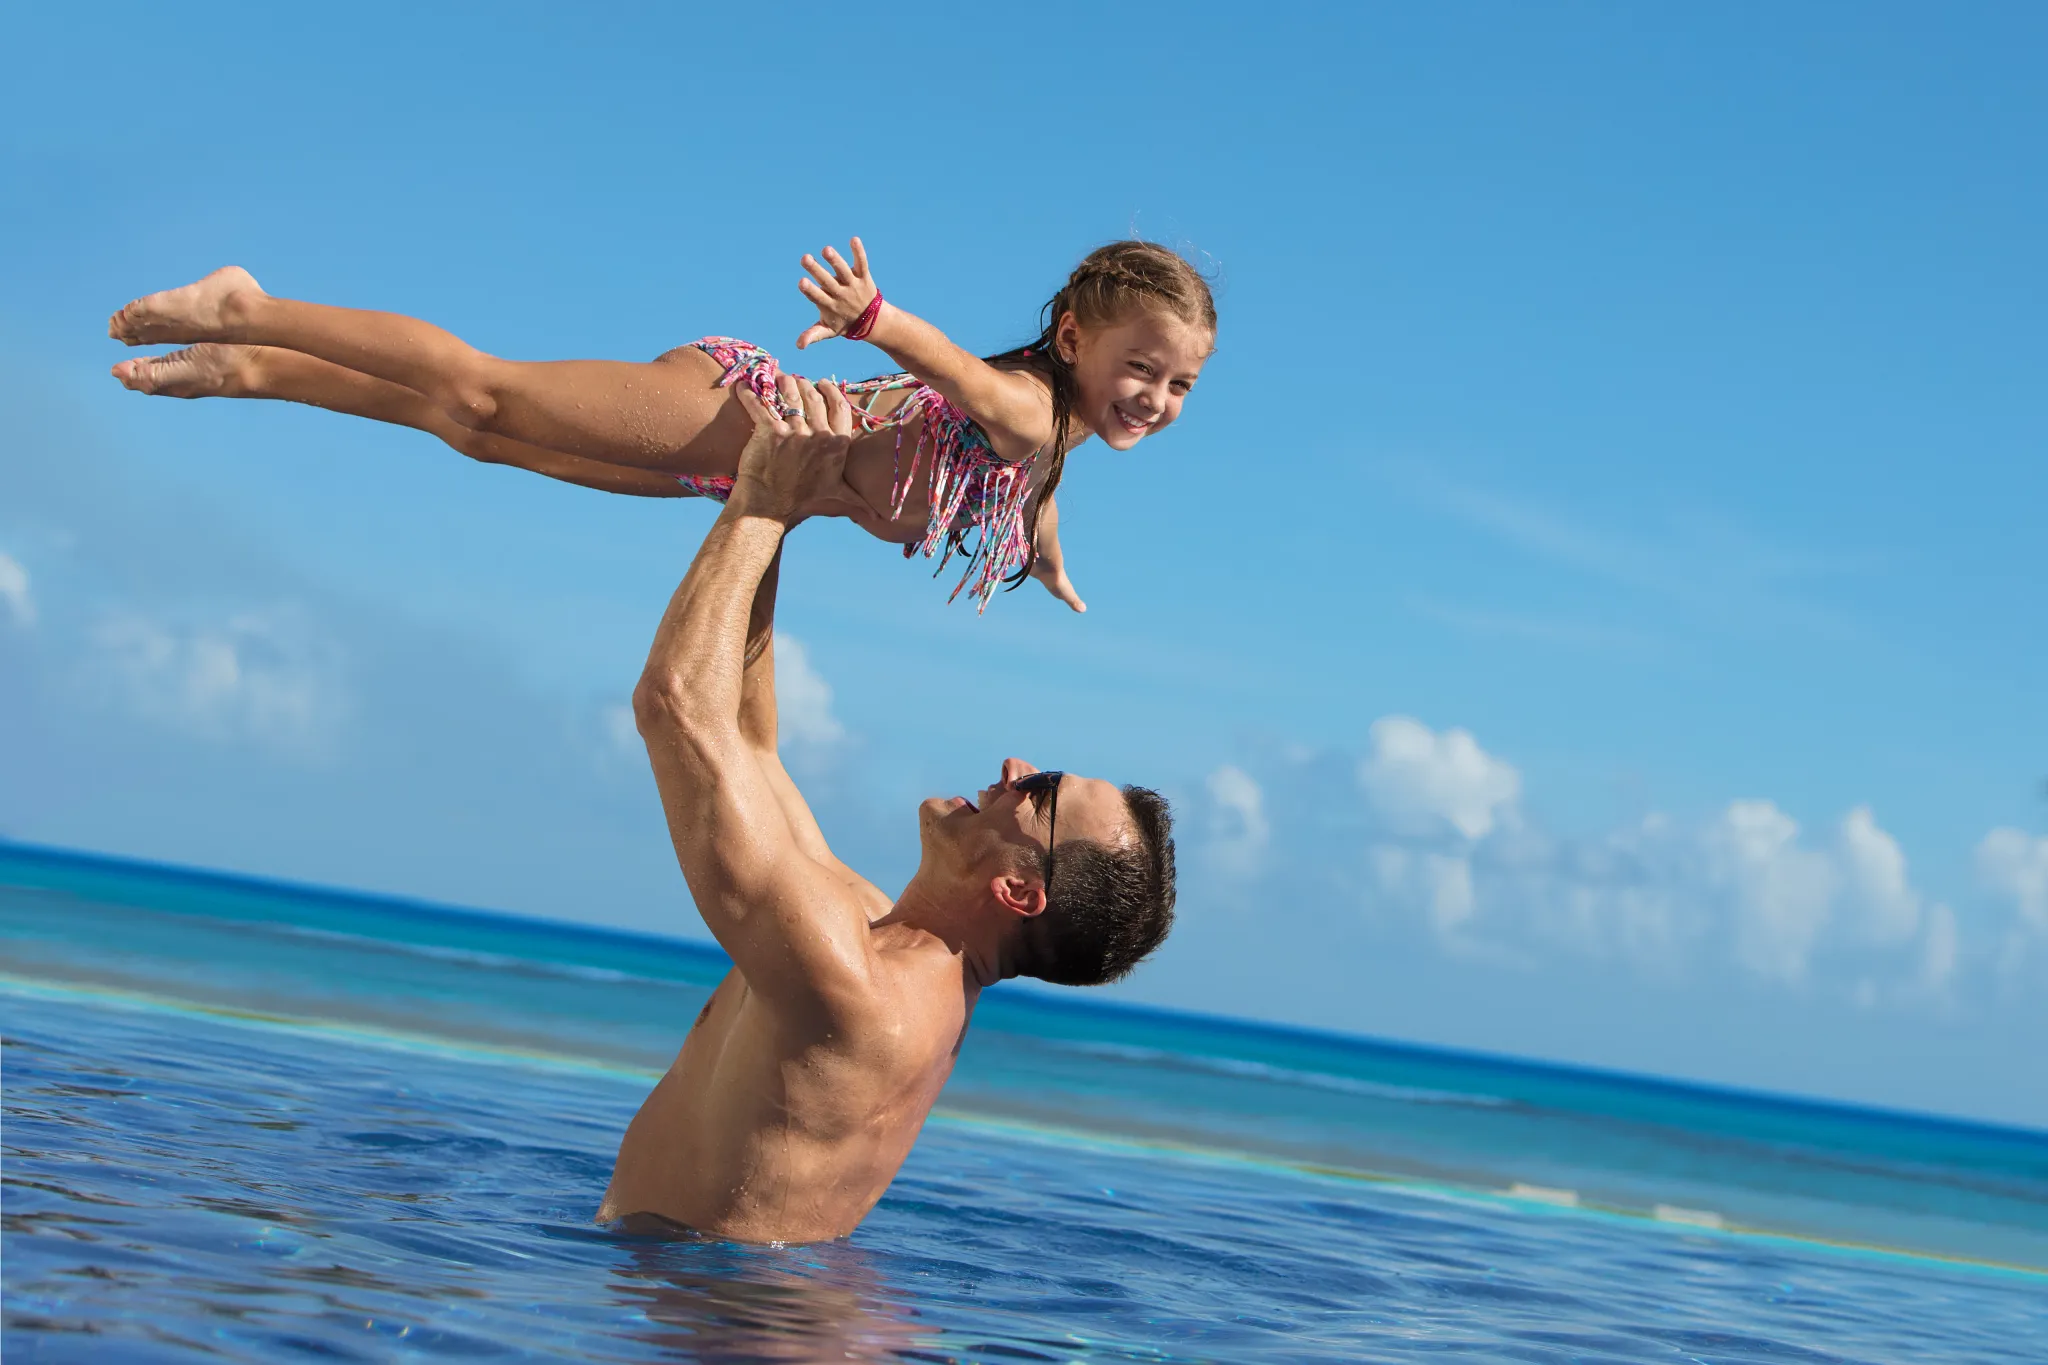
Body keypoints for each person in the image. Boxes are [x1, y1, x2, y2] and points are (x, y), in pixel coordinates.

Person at [596, 373, 1176, 1242]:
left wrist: (758, 495)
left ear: (1020, 890)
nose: (1016, 765)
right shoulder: (866, 929)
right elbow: (747, 742)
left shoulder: (852, 982)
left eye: (1041, 792)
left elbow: (676, 705)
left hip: (711, 1316)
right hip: (750, 1308)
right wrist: (785, 500)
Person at [107, 239, 1216, 613]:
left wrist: (1044, 553)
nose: (1154, 402)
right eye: (1141, 370)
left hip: (725, 472)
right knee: (486, 390)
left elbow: (1037, 485)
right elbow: (959, 379)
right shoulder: (1021, 409)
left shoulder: (1048, 443)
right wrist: (875, 319)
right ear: (1070, 338)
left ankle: (250, 370)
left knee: (478, 435)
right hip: (729, 414)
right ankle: (246, 304)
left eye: (1177, 387)